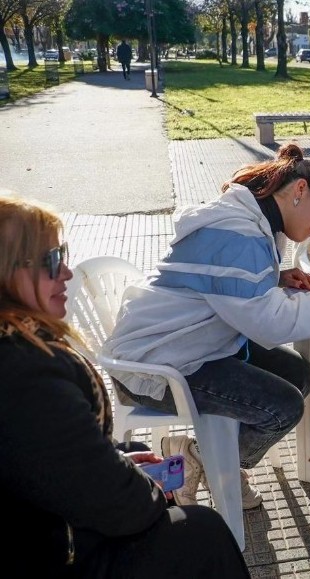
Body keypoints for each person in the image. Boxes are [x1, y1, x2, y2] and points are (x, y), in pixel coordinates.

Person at [0, 195, 251, 578]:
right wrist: (145, 489)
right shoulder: (26, 372)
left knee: (135, 452)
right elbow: (120, 507)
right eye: (52, 261)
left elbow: (51, 459)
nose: (66, 272)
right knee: (200, 530)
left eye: (62, 254)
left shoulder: (20, 351)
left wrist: (120, 464)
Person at [104, 143, 310, 508]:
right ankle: (204, 459)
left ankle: (205, 457)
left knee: (299, 373)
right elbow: (271, 323)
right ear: (300, 190)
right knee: (283, 406)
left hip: (190, 345)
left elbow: (220, 286)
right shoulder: (239, 233)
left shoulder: (252, 220)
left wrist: (276, 278)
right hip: (155, 365)